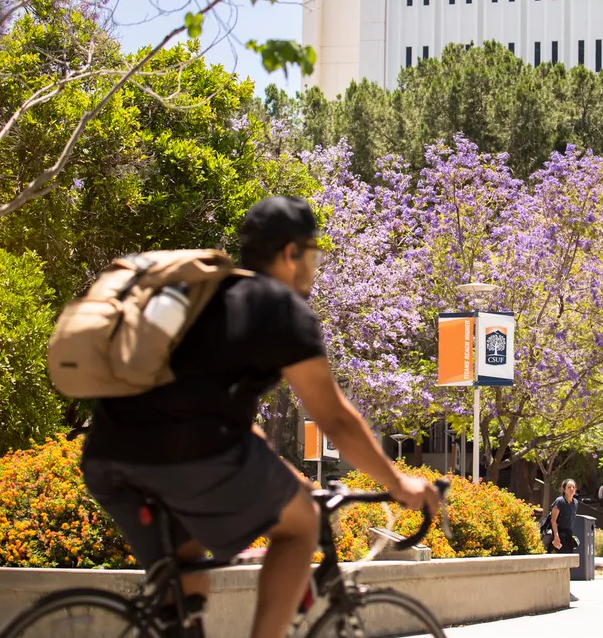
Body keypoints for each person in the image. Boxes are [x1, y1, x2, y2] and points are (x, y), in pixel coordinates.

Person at [80, 196, 440, 638]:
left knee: (185, 573)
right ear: (291, 254)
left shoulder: (205, 295)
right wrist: (398, 483)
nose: (313, 265)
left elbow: (218, 409)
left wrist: (289, 478)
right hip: (188, 456)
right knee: (302, 523)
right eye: (312, 253)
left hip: (107, 454)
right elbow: (335, 418)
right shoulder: (280, 307)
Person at [550, 479, 580, 553]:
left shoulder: (575, 502)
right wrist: (556, 537)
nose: (572, 489)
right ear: (564, 489)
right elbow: (553, 520)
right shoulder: (559, 501)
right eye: (569, 487)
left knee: (569, 559)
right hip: (560, 534)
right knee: (561, 558)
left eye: (573, 487)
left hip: (569, 534)